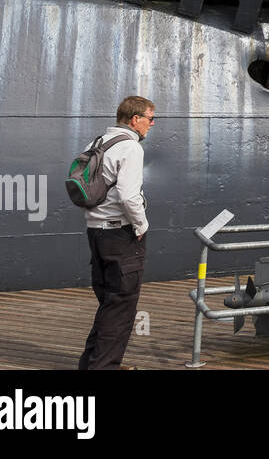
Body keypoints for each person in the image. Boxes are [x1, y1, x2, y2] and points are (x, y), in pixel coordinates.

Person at [78, 95, 155, 370]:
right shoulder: (131, 148)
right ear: (135, 120)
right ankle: (105, 366)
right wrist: (142, 226)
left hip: (95, 231)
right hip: (120, 235)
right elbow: (128, 195)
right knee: (122, 303)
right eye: (150, 119)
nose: (151, 125)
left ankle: (91, 363)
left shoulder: (97, 143)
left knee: (109, 302)